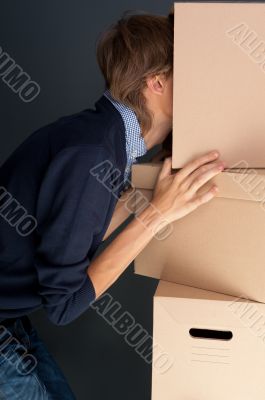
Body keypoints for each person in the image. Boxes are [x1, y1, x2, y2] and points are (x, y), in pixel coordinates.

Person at [0, 10, 225, 399]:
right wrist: (157, 214)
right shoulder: (91, 154)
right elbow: (64, 305)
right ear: (157, 82)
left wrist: (146, 196)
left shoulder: (102, 140)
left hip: (10, 318)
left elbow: (67, 236)